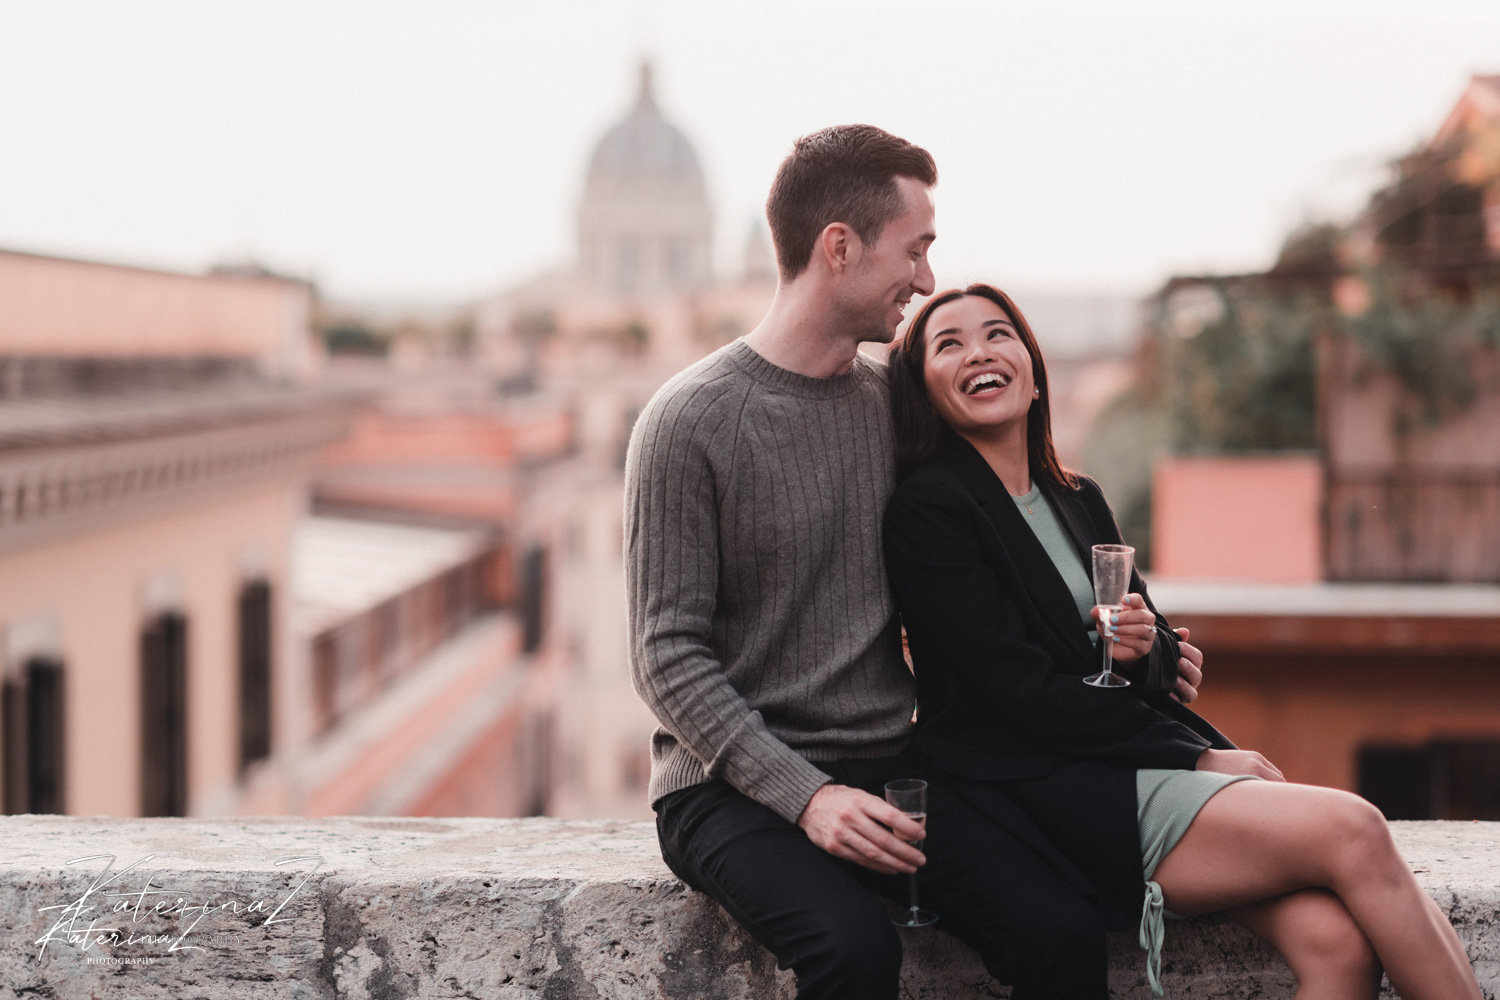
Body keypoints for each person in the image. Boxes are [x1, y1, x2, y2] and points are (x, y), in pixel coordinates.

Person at [626, 129, 1130, 1000]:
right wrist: (807, 797)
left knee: (1064, 932)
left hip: (891, 766)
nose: (928, 280)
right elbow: (665, 654)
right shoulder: (687, 422)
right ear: (839, 247)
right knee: (853, 951)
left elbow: (995, 536)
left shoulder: (893, 411)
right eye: (916, 249)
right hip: (724, 785)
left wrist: (1123, 645)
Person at [882, 282, 1482, 1000]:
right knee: (1355, 826)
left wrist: (1143, 649)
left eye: (997, 334)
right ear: (925, 391)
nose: (978, 351)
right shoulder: (930, 510)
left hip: (1124, 762)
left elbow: (1162, 656)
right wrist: (1198, 756)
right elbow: (1019, 696)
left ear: (1035, 373)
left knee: (1336, 945)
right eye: (947, 344)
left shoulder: (1078, 498)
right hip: (1055, 793)